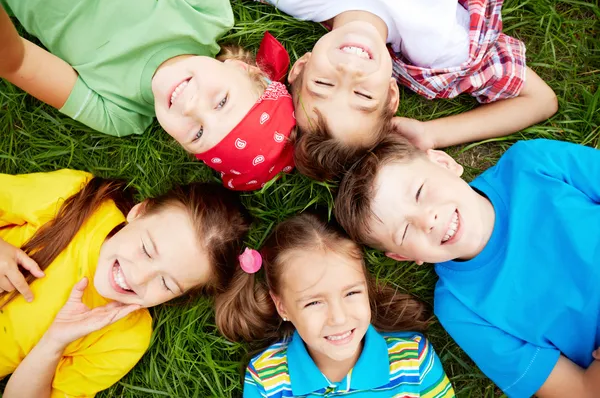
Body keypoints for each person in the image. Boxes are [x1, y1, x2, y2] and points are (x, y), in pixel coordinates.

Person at [334, 135, 600, 397]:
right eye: (404, 232)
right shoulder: (459, 309)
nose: (428, 220)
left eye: (419, 192)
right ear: (403, 256)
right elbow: (581, 390)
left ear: (443, 162)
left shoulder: (531, 162)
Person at [0, 169, 250, 397]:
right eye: (147, 250)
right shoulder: (76, 198)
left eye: (166, 283)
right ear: (139, 212)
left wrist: (54, 342)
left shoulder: (126, 337)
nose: (138, 277)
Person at [0, 0, 295, 191]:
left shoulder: (118, 114)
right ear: (243, 69)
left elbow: (20, 62)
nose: (192, 108)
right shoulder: (207, 14)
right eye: (221, 102)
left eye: (198, 133)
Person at [251, 0, 557, 181]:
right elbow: (539, 100)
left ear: (301, 67)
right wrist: (433, 133)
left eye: (323, 84)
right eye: (363, 95)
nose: (348, 72)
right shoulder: (438, 49)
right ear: (391, 93)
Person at [215, 213, 454, 397]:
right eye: (314, 302)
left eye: (351, 293)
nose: (338, 318)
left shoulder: (413, 358)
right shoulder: (266, 379)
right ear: (282, 307)